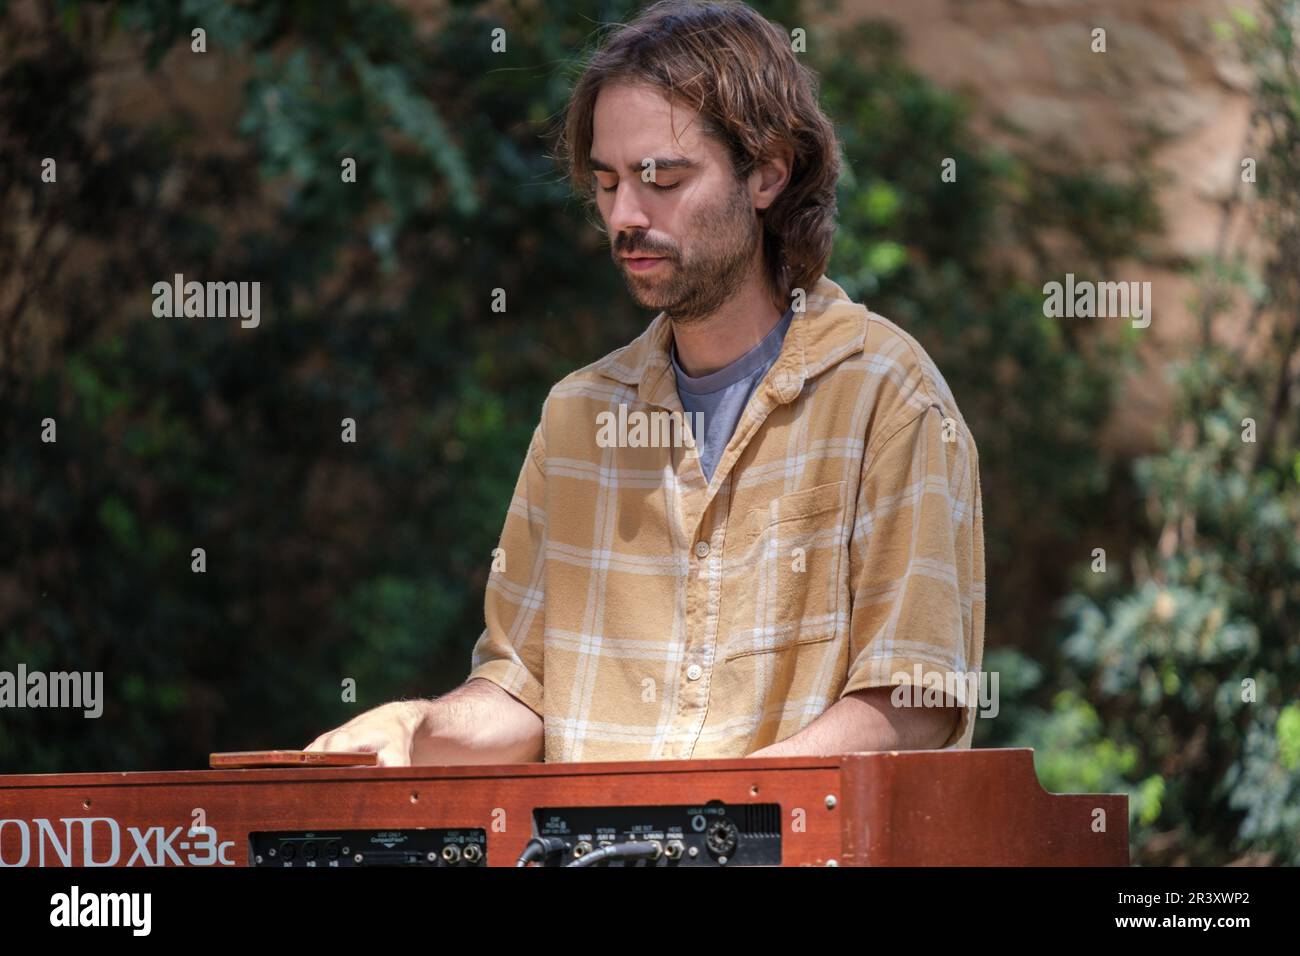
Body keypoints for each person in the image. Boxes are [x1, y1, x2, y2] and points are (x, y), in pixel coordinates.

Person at [306, 0, 984, 766]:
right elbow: (522, 693)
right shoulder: (575, 417)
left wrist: (720, 820)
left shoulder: (888, 397)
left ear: (766, 172)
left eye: (661, 177)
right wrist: (416, 726)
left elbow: (916, 699)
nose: (624, 214)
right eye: (606, 182)